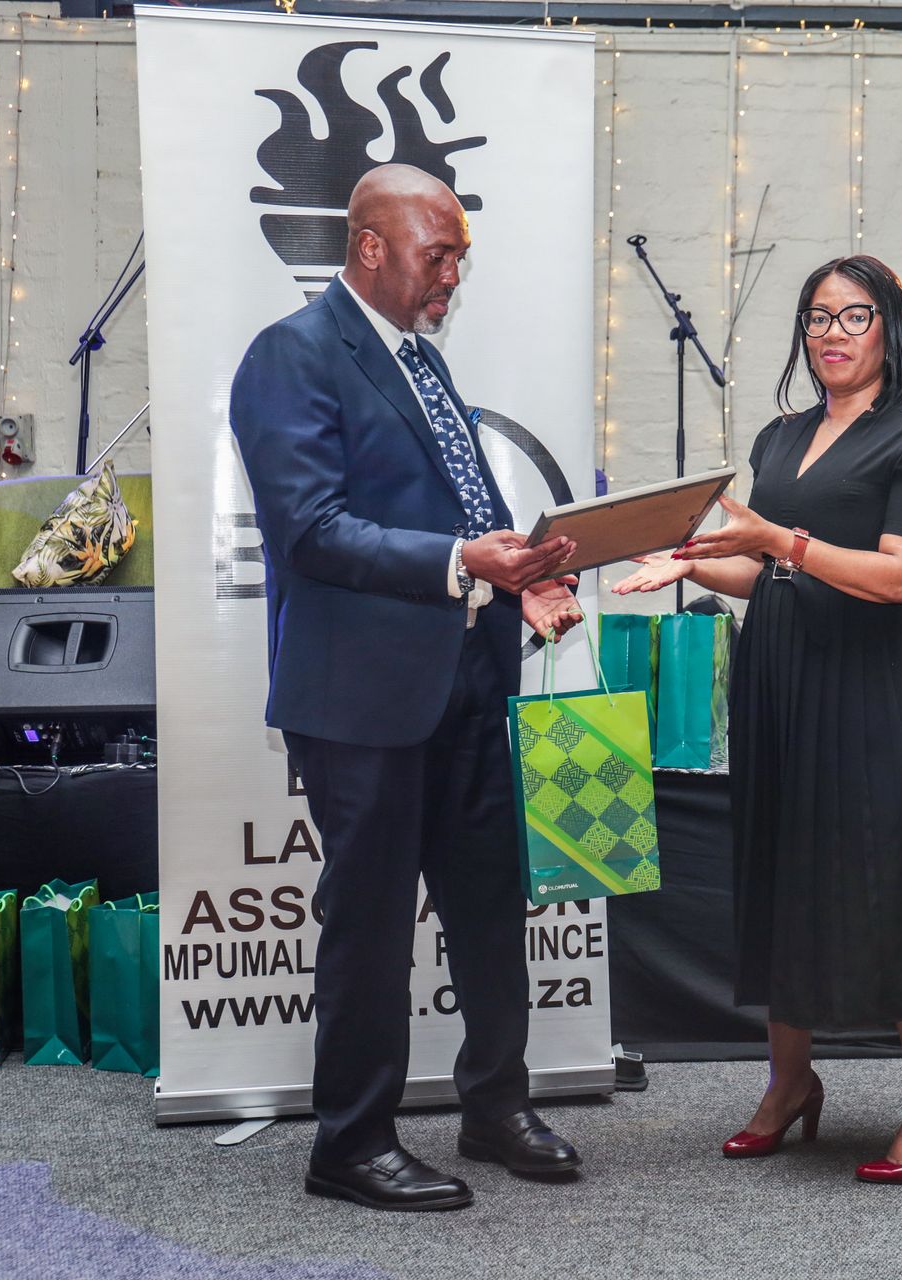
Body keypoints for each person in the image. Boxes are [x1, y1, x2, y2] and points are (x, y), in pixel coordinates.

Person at [230, 165, 588, 1211]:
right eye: (438, 256)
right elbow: (310, 529)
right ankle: (351, 1143)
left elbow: (453, 513)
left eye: (461, 259)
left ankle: (495, 1105)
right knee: (372, 923)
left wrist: (520, 574)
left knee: (489, 908)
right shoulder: (292, 355)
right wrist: (464, 561)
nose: (452, 277)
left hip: (467, 677)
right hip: (361, 699)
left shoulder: (423, 361)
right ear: (370, 246)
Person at [614, 255, 902, 1185]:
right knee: (779, 869)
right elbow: (764, 573)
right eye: (817, 317)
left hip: (871, 682)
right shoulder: (780, 438)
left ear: (890, 328)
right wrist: (688, 561)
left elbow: (897, 576)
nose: (831, 333)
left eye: (853, 316)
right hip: (781, 675)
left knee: (891, 879)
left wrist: (778, 539)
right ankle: (788, 1083)